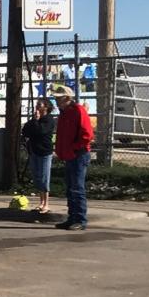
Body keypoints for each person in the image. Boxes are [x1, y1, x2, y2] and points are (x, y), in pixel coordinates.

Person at [52, 85, 94, 230]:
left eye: (59, 98)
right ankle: (72, 217)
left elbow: (87, 134)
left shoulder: (78, 111)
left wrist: (74, 148)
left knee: (77, 188)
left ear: (68, 98)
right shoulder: (64, 113)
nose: (56, 101)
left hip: (78, 154)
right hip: (70, 154)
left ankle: (80, 219)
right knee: (71, 188)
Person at [22, 98, 56, 214]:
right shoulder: (35, 120)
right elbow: (25, 130)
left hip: (45, 152)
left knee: (44, 177)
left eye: (39, 104)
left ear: (46, 107)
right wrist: (34, 120)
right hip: (34, 151)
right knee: (37, 177)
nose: (37, 106)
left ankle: (46, 203)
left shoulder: (49, 120)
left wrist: (36, 122)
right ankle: (41, 202)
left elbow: (41, 131)